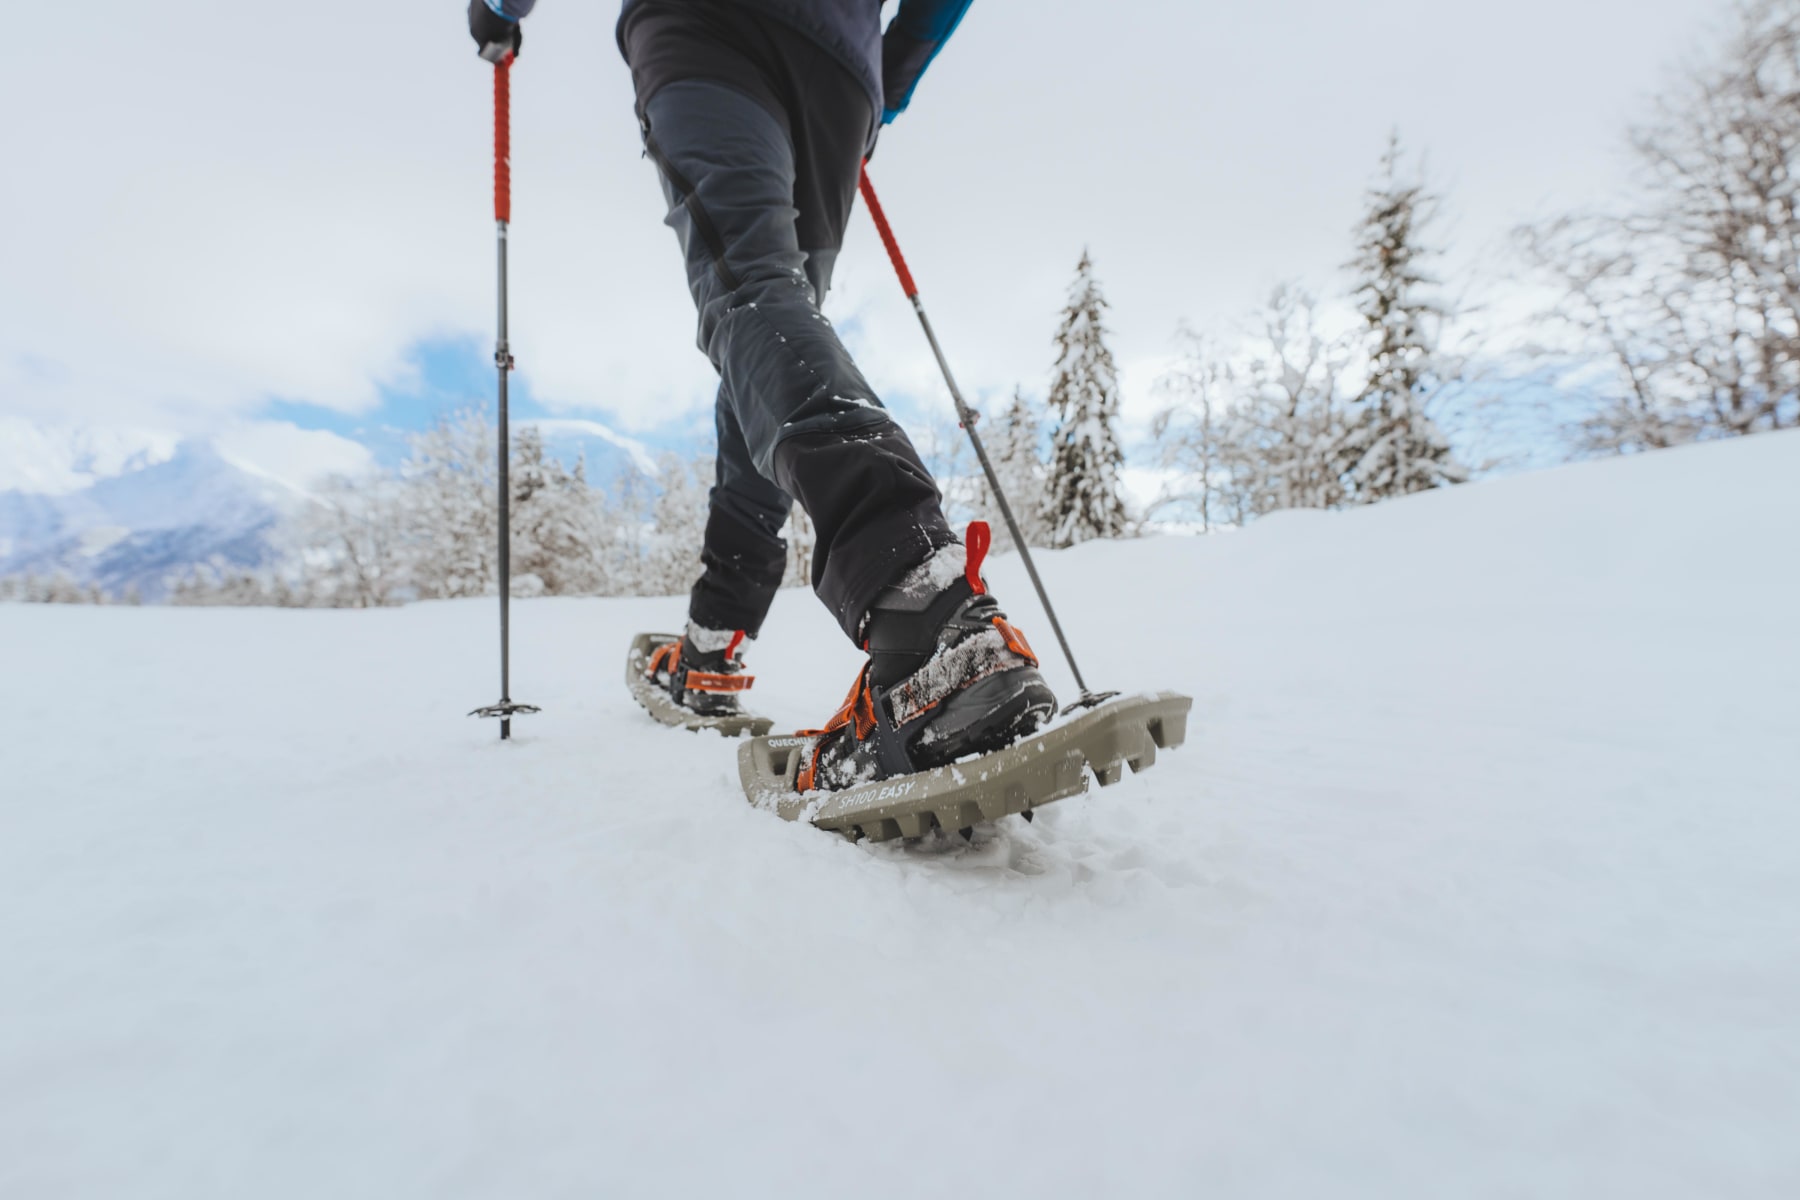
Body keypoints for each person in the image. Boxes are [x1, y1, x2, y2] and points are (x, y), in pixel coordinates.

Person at [468, 0, 1056, 790]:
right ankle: (717, 635)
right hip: (839, 80)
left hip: (706, 29)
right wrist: (890, 72)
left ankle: (922, 610)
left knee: (751, 292)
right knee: (767, 321)